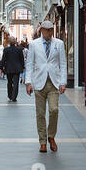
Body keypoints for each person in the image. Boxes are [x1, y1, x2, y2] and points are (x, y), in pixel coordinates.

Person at [25, 19, 67, 153]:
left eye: (51, 30)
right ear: (41, 30)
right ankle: (42, 141)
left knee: (54, 110)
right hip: (39, 82)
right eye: (47, 30)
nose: (49, 33)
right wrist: (28, 82)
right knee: (40, 114)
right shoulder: (34, 44)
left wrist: (63, 82)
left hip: (54, 82)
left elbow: (63, 63)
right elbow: (30, 64)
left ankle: (51, 136)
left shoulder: (59, 43)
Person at [1, 36, 26, 102]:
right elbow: (22, 59)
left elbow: (3, 59)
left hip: (8, 68)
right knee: (16, 83)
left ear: (9, 42)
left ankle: (10, 95)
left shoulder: (6, 50)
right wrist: (23, 67)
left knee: (9, 82)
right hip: (17, 69)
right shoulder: (19, 50)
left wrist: (1, 67)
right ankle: (14, 97)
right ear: (15, 42)